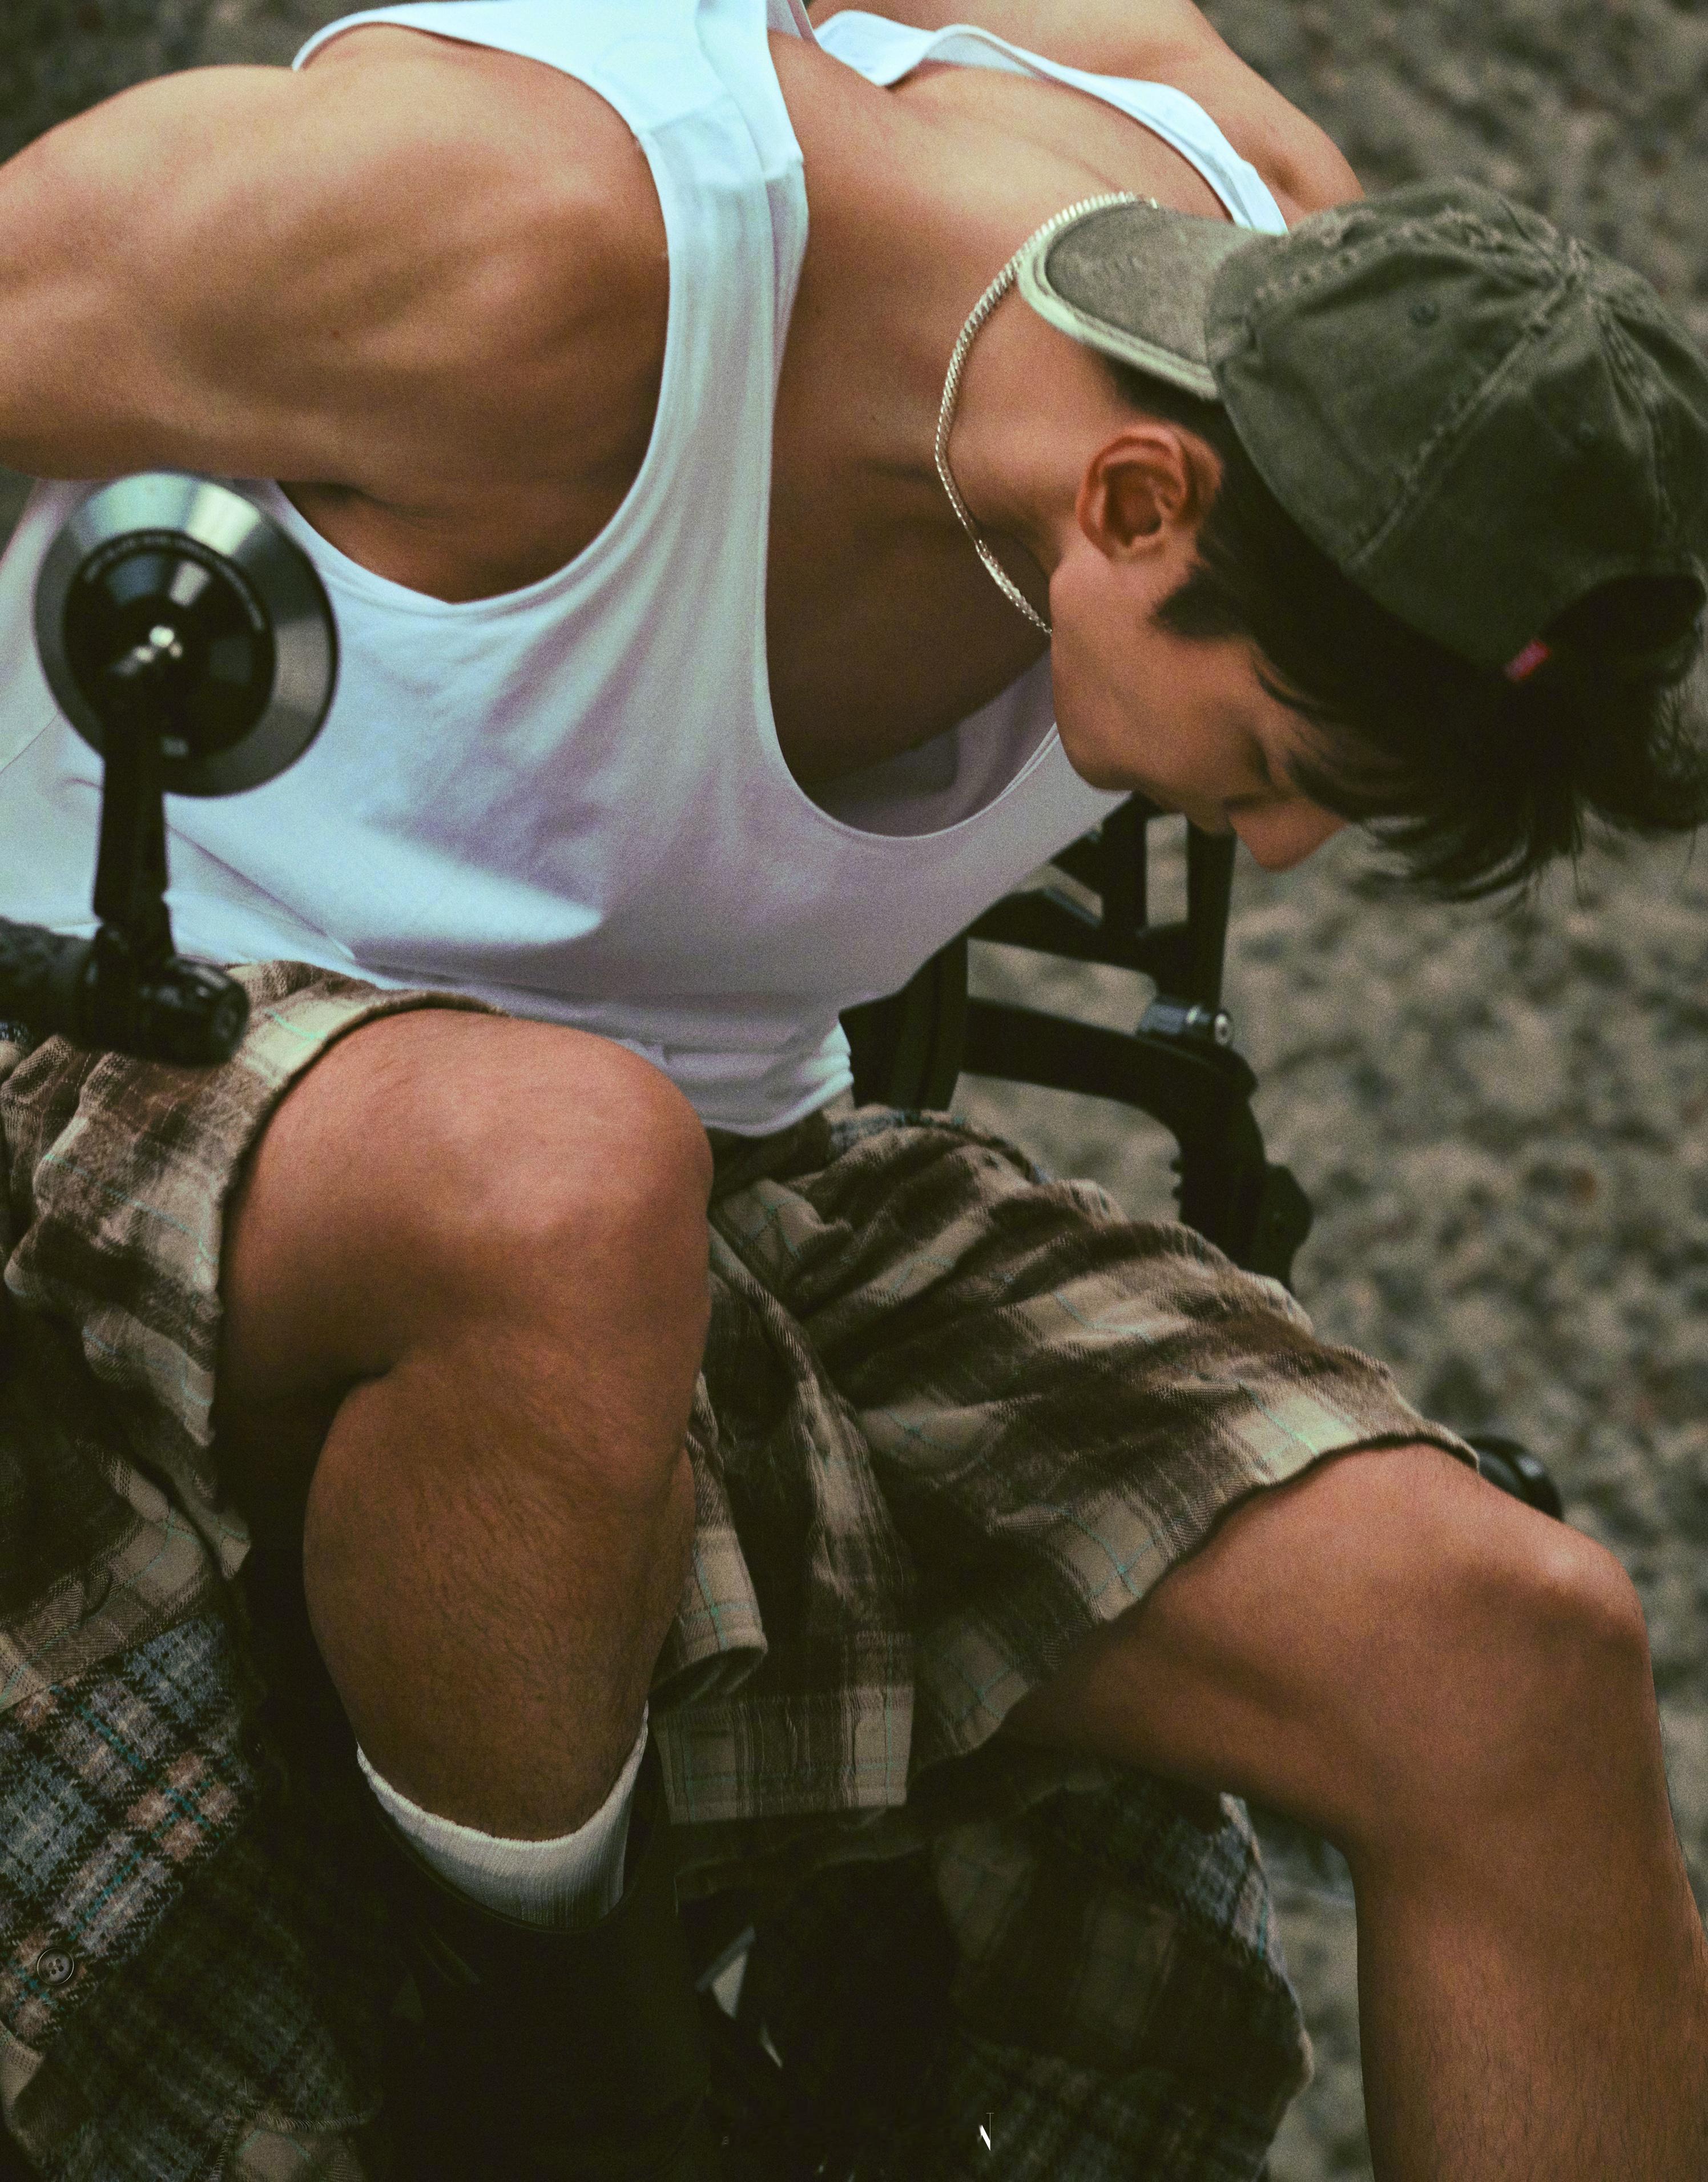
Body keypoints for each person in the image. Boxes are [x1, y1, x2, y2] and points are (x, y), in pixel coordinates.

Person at [0, 1, 1705, 2176]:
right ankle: (577, 2094)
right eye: (1288, 763)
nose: (1281, 850)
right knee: (569, 1183)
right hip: (117, 1043)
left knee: (1513, 1650)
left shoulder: (1280, 256)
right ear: (1140, 495)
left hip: (730, 1169)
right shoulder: (522, 246)